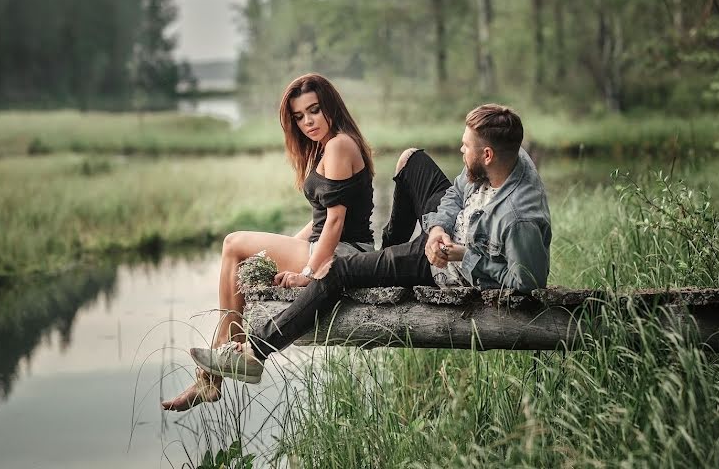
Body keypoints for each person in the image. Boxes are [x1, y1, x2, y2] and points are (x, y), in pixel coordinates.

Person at [185, 103, 552, 386]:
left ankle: (254, 352)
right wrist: (439, 227)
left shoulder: (518, 219)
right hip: (449, 236)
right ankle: (386, 258)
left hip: (447, 268)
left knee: (339, 269)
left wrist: (462, 255)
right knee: (412, 160)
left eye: (466, 146)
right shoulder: (504, 156)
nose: (460, 148)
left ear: (486, 155)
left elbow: (527, 282)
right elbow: (457, 192)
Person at [161, 73, 375, 411]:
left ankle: (223, 365)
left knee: (233, 243)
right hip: (330, 244)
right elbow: (322, 218)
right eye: (299, 117)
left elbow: (336, 222)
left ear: (331, 106)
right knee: (248, 258)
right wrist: (281, 250)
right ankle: (218, 368)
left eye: (314, 110)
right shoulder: (328, 145)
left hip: (345, 253)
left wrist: (307, 270)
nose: (307, 122)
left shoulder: (338, 145)